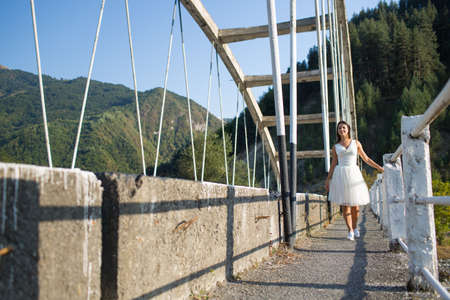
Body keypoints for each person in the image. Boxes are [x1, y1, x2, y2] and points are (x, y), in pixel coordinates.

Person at [325, 120, 384, 240]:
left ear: (348, 129)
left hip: (353, 174)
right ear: (337, 131)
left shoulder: (356, 143)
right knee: (345, 205)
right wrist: (328, 179)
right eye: (339, 128)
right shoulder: (335, 147)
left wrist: (378, 167)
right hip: (341, 174)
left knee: (355, 207)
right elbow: (333, 163)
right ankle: (350, 230)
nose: (342, 130)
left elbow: (366, 159)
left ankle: (355, 226)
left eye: (344, 128)